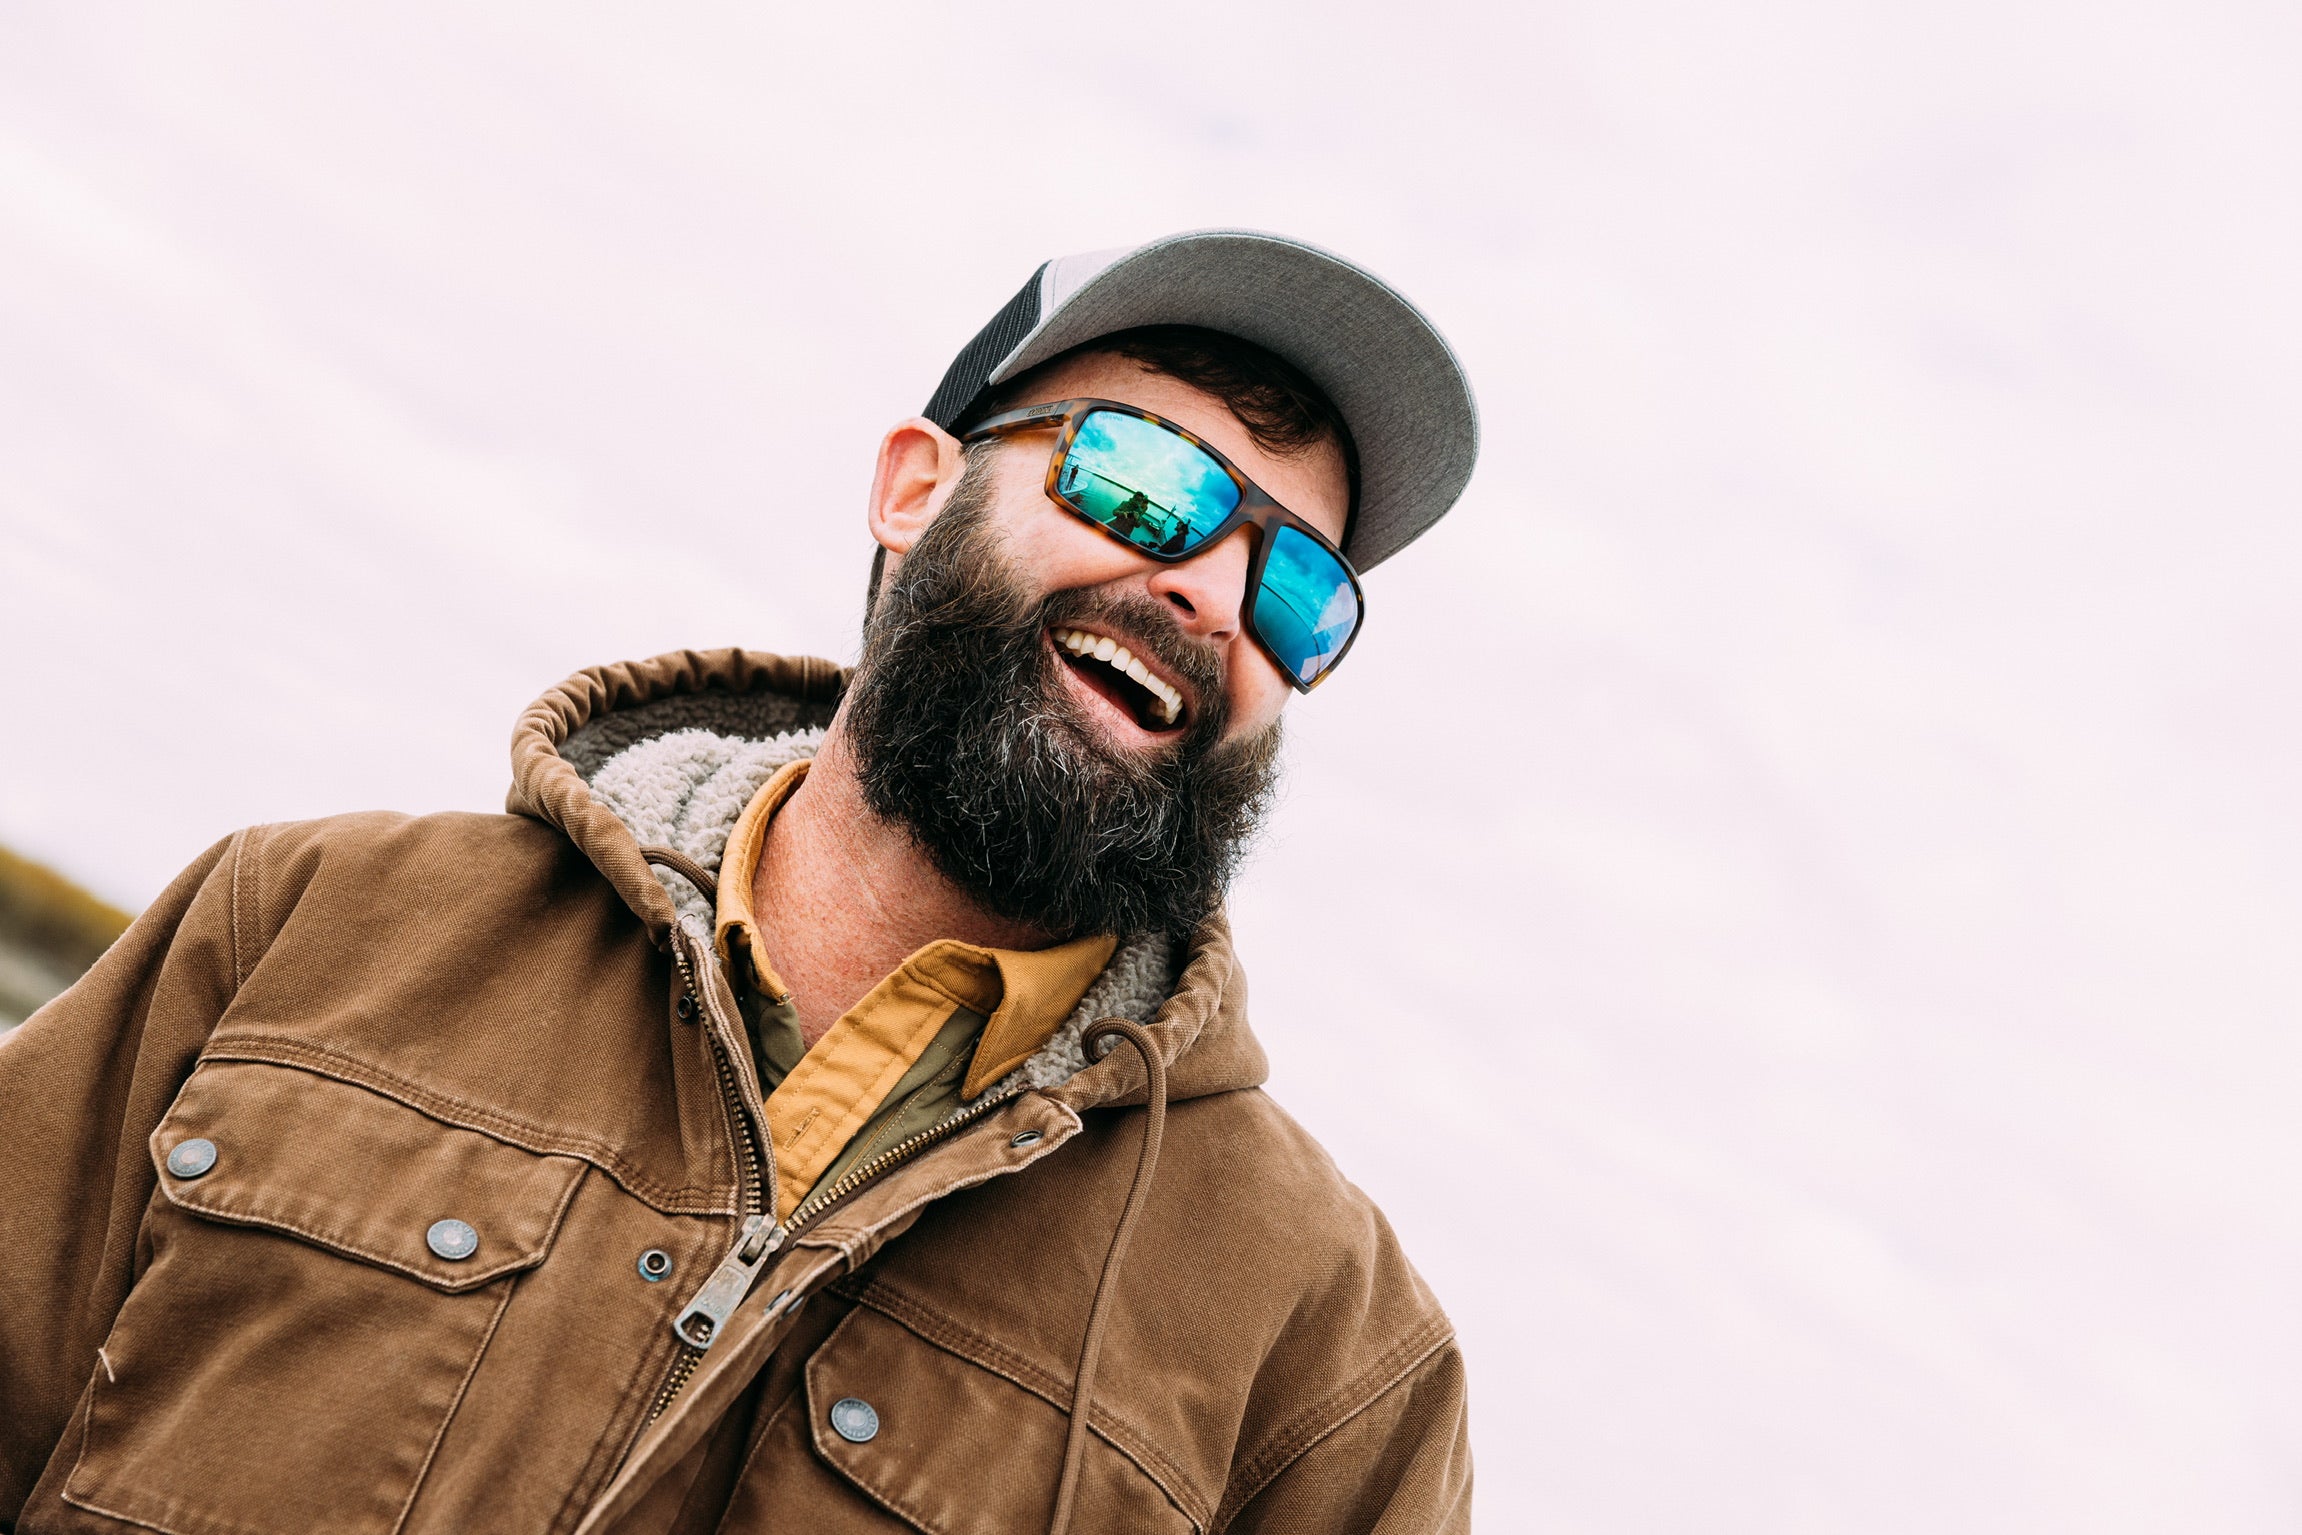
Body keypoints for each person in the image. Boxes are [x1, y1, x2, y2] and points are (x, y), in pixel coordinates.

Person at [0, 229, 1480, 1534]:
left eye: (1297, 587)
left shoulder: (1332, 1363)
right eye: (1146, 484)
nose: (1211, 594)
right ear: (915, 487)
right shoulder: (305, 921)